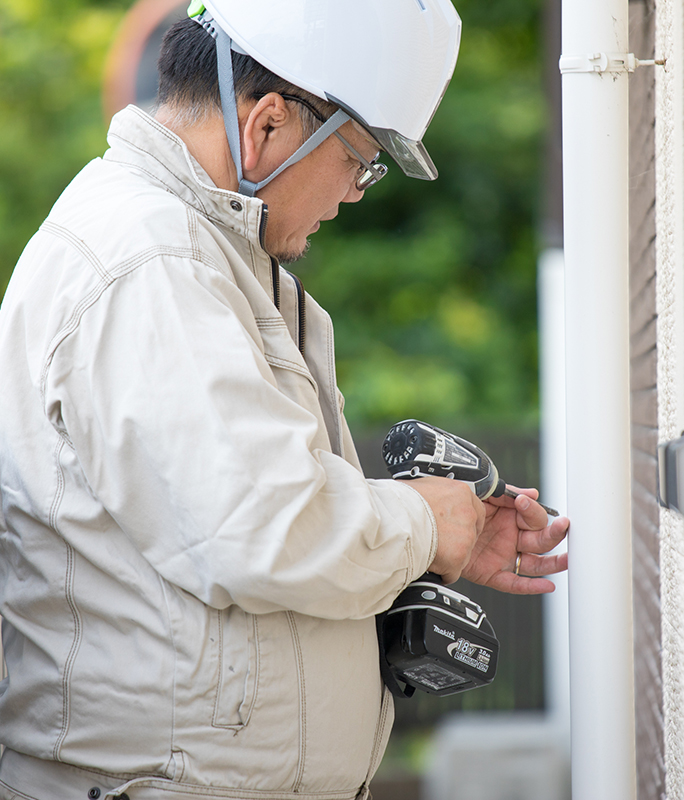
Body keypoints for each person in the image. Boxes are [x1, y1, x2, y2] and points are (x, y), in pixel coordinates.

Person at [0, 1, 569, 798]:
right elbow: (262, 527)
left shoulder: (201, 254)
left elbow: (232, 518)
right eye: (360, 160)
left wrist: (433, 547)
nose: (359, 192)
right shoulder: (152, 263)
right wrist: (421, 523)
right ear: (269, 125)